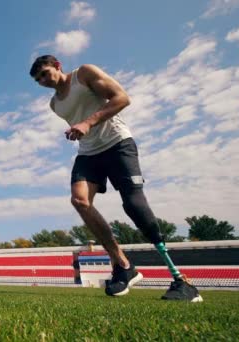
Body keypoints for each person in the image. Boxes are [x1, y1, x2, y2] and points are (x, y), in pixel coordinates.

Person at [29, 55, 202, 302]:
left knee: (133, 204)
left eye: (45, 74)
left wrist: (88, 122)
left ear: (58, 66)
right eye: (38, 80)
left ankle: (181, 280)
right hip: (89, 153)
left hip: (118, 144)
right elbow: (79, 120)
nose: (43, 81)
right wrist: (79, 130)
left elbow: (122, 98)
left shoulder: (84, 74)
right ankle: (122, 264)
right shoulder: (54, 104)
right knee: (80, 201)